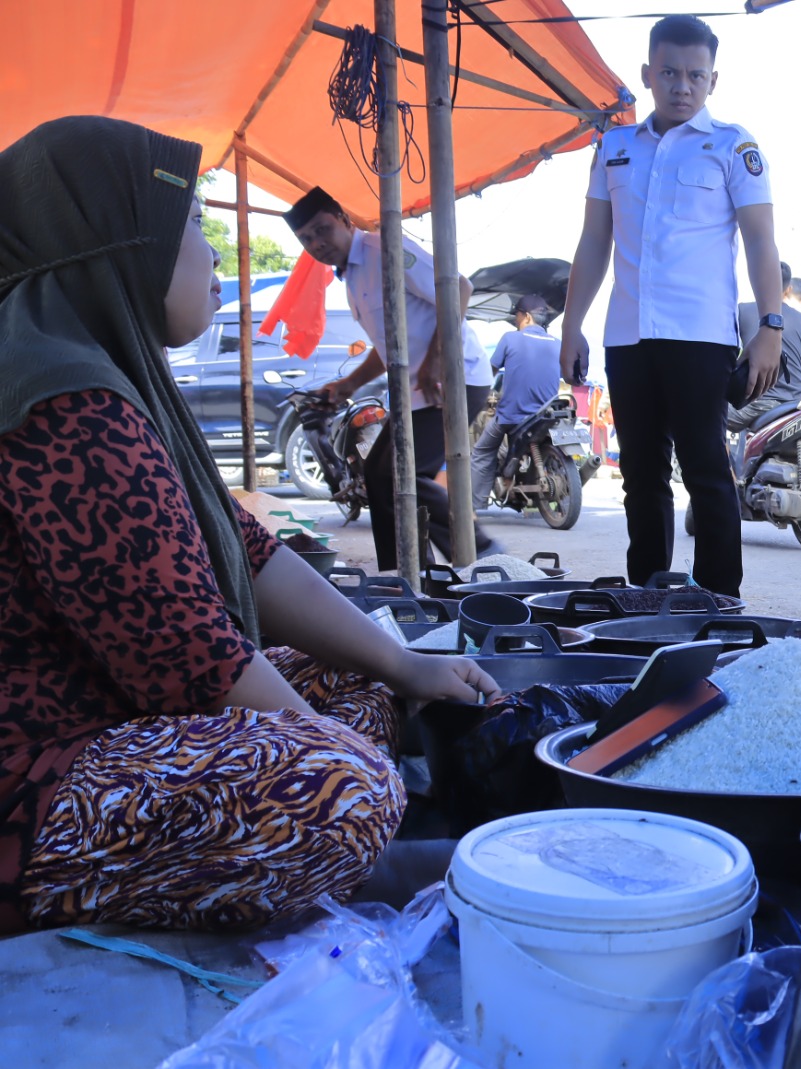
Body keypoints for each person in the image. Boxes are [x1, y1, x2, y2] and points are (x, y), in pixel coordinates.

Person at [0, 116, 500, 934]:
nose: (213, 257)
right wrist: (340, 759)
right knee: (344, 786)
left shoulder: (103, 375)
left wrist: (408, 666)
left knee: (366, 678)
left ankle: (320, 843)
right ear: (122, 242)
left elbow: (252, 554)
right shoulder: (65, 405)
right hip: (31, 782)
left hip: (112, 716)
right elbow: (193, 664)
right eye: (193, 224)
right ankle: (345, 853)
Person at [560, 14, 783, 597]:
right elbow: (593, 242)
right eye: (669, 73)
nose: (682, 86)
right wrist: (572, 325)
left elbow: (761, 240)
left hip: (701, 335)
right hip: (627, 335)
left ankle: (720, 601)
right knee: (640, 474)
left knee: (706, 469)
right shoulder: (614, 148)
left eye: (695, 75)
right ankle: (648, 595)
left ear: (713, 80)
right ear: (647, 74)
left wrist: (770, 325)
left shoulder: (733, 145)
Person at [286, 186, 496, 571]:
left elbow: (459, 288)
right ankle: (407, 575)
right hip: (415, 390)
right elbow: (390, 344)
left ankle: (482, 554)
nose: (316, 244)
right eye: (306, 239)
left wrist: (435, 360)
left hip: (455, 379)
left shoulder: (385, 249)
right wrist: (347, 385)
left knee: (403, 474)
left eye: (322, 229)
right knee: (379, 476)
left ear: (344, 219)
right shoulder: (351, 277)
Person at [470, 291, 563, 510]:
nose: (515, 322)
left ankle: (474, 505)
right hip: (547, 414)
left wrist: (478, 395)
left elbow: (489, 373)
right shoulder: (558, 344)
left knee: (482, 451)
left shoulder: (510, 338)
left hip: (513, 416)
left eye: (517, 317)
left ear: (527, 317)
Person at [730, 260, 801, 431]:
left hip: (760, 402)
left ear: (757, 282)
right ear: (788, 288)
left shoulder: (741, 311)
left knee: (709, 415)